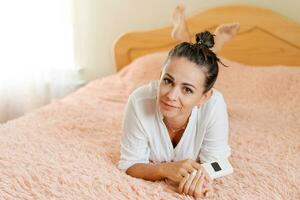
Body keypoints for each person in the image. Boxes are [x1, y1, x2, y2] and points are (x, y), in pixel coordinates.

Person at [118, 31, 231, 198]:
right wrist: (164, 169)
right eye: (167, 81)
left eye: (187, 89)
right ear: (160, 75)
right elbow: (129, 164)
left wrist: (199, 180)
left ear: (204, 97)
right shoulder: (139, 101)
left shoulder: (214, 105)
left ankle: (216, 42)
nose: (171, 96)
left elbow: (219, 162)